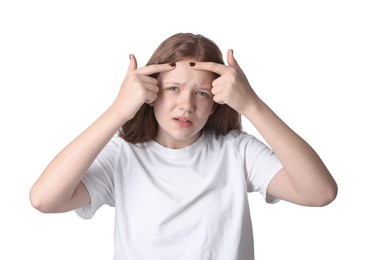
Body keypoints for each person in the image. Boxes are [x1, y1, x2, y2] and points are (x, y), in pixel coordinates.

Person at [30, 32, 338, 259]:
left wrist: (253, 106)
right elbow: (45, 199)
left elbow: (320, 193)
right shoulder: (123, 156)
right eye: (173, 88)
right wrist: (119, 111)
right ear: (150, 94)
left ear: (216, 103)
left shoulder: (237, 152)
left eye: (201, 93)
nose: (186, 105)